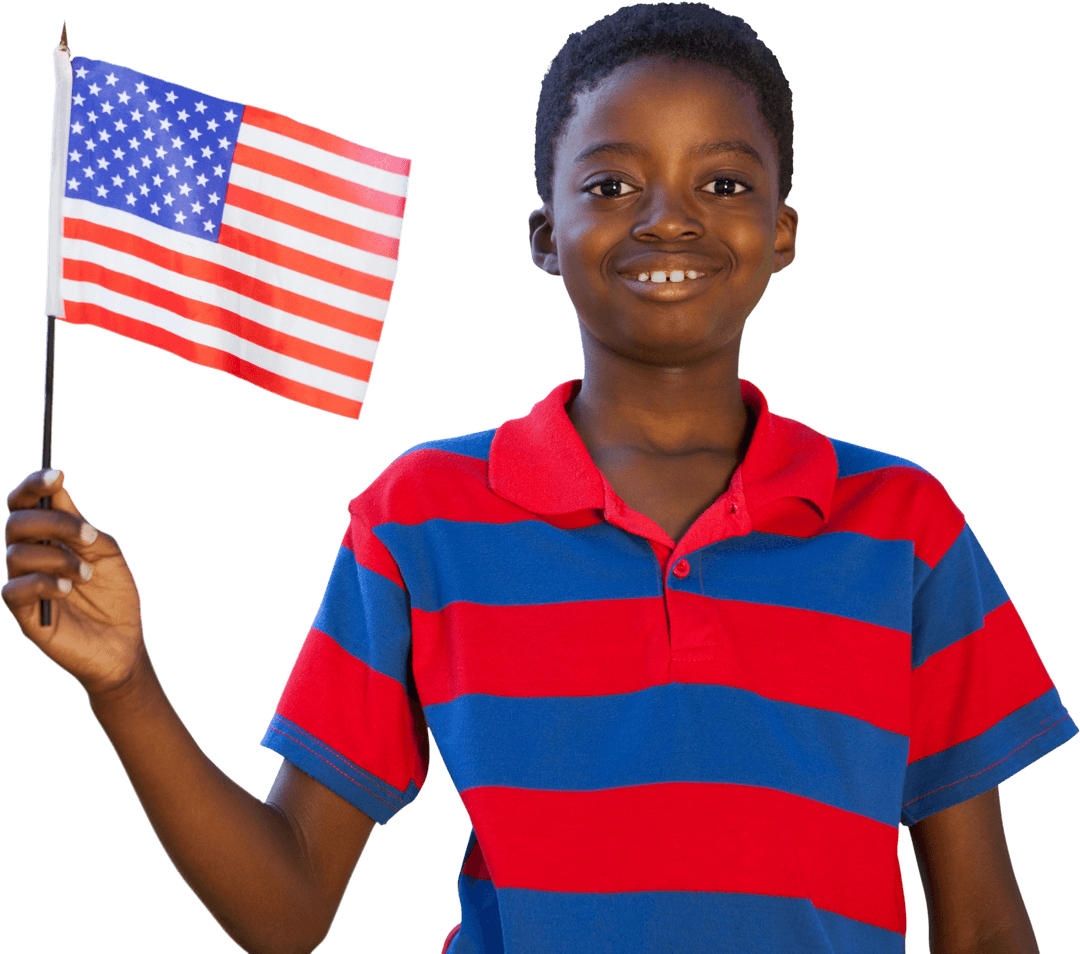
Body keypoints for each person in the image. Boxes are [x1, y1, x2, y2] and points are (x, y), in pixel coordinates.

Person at [4, 4, 1074, 953]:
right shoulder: (422, 517)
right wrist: (125, 687)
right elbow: (286, 908)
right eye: (613, 182)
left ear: (781, 232)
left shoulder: (905, 528)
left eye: (725, 181)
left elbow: (980, 924)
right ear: (543, 237)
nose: (670, 217)